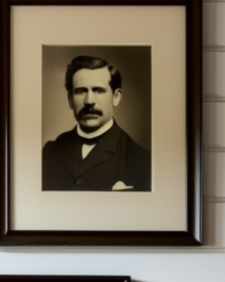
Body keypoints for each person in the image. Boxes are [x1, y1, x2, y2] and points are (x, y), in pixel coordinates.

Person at [42, 55, 151, 192]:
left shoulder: (142, 161)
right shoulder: (50, 152)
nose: (89, 101)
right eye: (81, 91)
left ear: (116, 97)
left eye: (98, 90)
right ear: (70, 99)